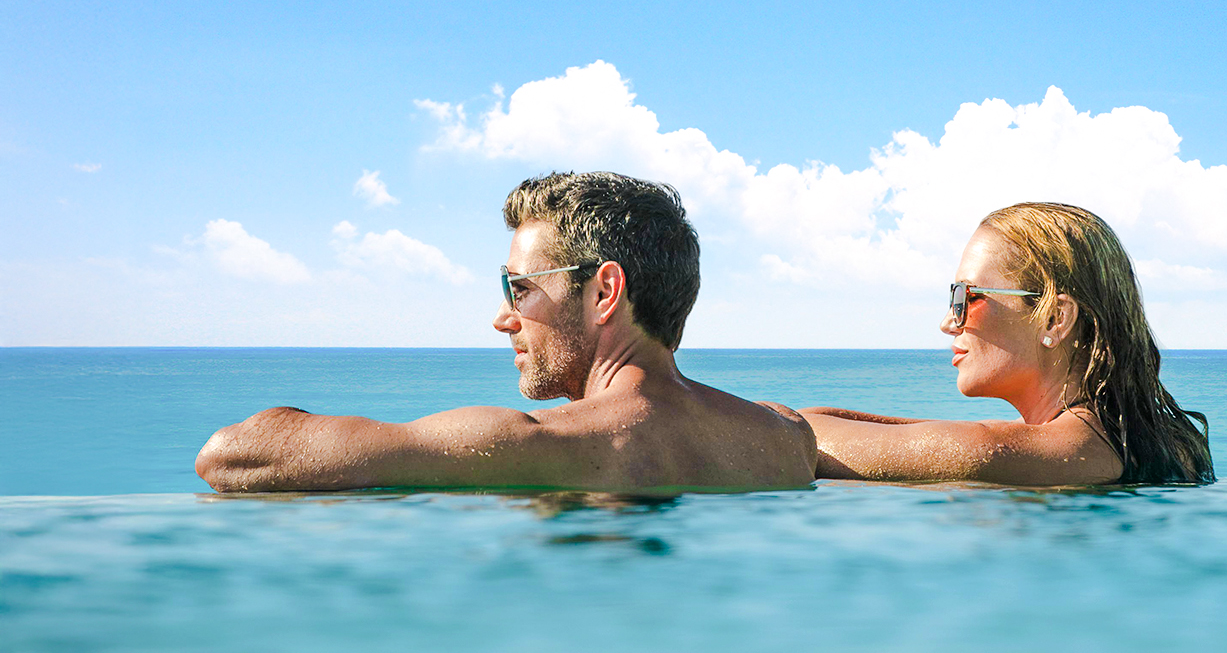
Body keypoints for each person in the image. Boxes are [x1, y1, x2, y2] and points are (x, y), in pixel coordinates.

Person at [196, 172, 817, 492]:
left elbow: (235, 454)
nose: (502, 318)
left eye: (520, 288)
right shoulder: (783, 437)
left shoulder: (537, 447)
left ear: (604, 292)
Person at [802, 202, 1213, 486]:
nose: (949, 322)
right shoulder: (1156, 442)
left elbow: (800, 435)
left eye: (966, 297)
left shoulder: (1030, 452)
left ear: (1055, 317)